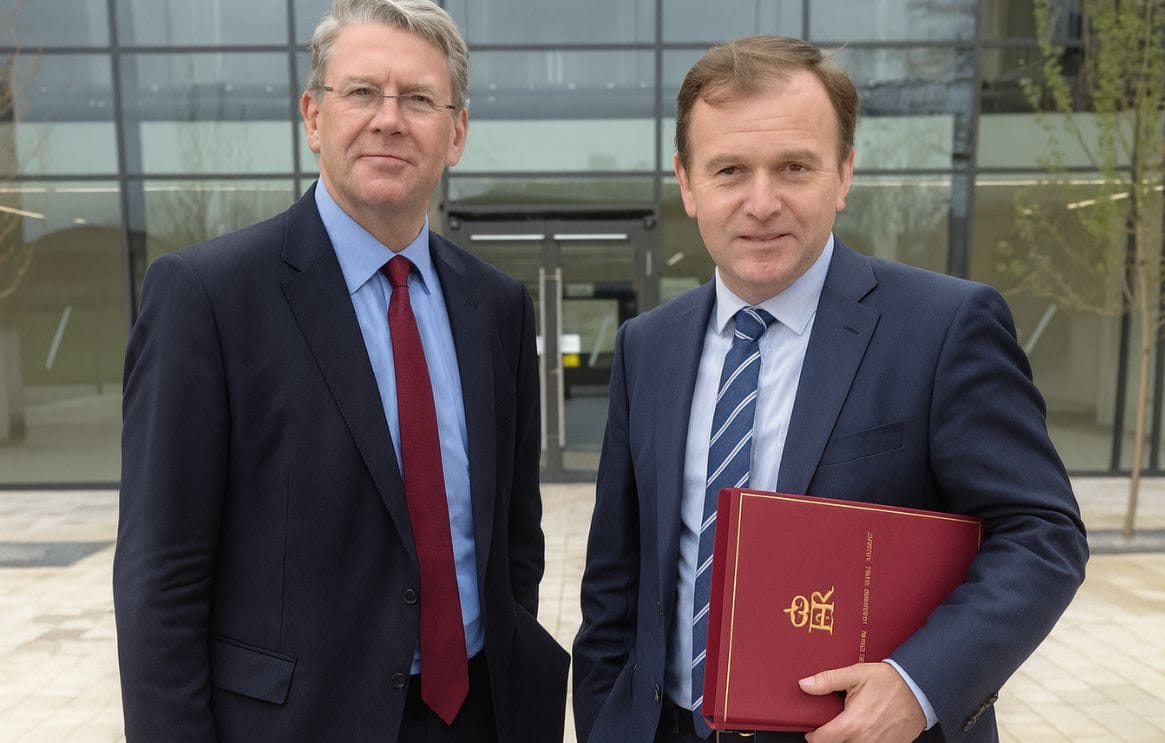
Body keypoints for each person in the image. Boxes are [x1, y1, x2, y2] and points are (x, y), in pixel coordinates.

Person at [572, 35, 1088, 743]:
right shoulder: (648, 344)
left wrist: (917, 685)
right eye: (729, 170)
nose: (761, 203)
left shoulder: (944, 327)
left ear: (843, 174)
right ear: (687, 184)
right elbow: (616, 580)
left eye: (794, 166)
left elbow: (1041, 534)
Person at [113, 1, 569, 741]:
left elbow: (515, 538)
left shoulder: (497, 305)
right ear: (314, 116)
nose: (389, 119)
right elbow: (160, 576)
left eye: (418, 98)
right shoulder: (207, 297)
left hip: (478, 712)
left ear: (456, 133)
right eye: (361, 92)